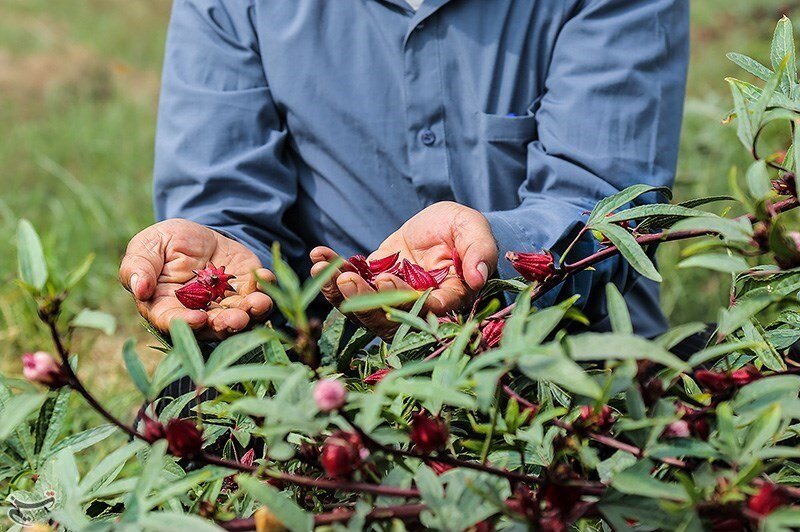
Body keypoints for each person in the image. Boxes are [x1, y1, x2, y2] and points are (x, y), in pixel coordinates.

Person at [120, 0, 689, 342]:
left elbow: (610, 208)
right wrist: (214, 246)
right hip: (327, 372)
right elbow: (226, 209)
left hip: (569, 367)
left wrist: (496, 252)